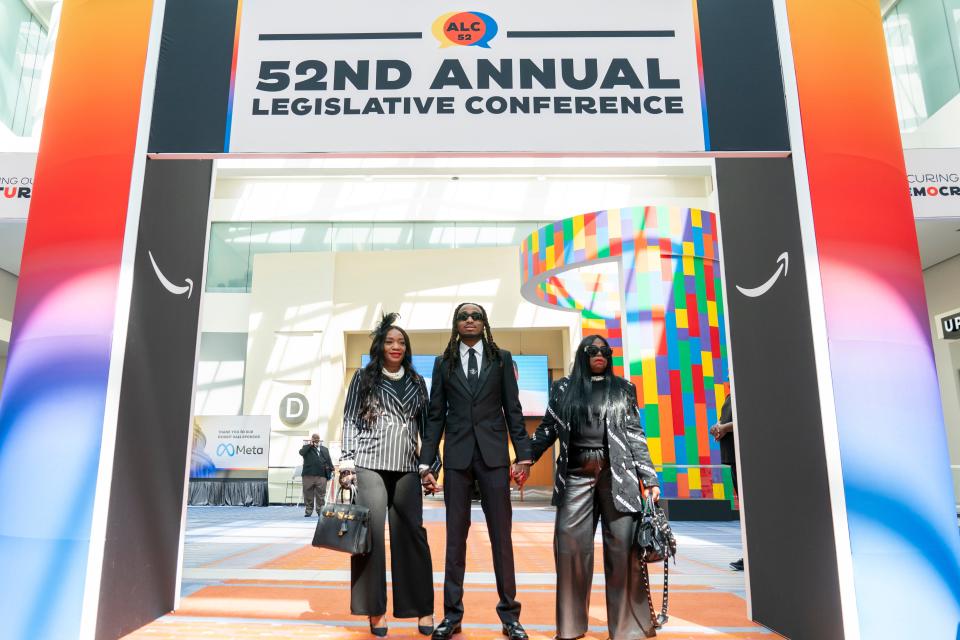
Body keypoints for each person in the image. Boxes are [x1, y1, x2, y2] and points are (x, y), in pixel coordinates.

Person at [529, 335, 661, 640]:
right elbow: (548, 428)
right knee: (570, 548)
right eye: (593, 350)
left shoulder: (623, 388)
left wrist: (649, 478)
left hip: (619, 475)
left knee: (624, 551)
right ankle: (571, 626)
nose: (599, 354)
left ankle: (629, 628)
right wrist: (525, 459)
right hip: (575, 474)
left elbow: (635, 434)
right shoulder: (564, 388)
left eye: (605, 351)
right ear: (582, 354)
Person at [419, 303, 533, 640]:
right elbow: (436, 415)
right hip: (456, 458)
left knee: (501, 538)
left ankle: (510, 616)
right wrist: (427, 462)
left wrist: (523, 455)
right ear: (455, 324)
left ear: (484, 324)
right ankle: (452, 615)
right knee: (455, 540)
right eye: (463, 316)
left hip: (494, 458)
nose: (470, 320)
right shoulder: (443, 363)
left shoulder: (502, 358)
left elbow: (513, 409)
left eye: (476, 316)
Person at [339, 313, 439, 637]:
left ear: (406, 348)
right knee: (370, 538)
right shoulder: (363, 378)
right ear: (380, 346)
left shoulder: (417, 381)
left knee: (412, 535)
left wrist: (429, 467)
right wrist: (346, 462)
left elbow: (426, 428)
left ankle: (422, 608)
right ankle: (375, 611)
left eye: (401, 342)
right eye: (389, 341)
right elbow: (350, 419)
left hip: (408, 467)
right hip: (370, 465)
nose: (395, 346)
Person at [710, 392, 742, 571]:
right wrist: (717, 427)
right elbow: (724, 421)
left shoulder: (744, 391)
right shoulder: (731, 396)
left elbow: (748, 418)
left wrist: (725, 428)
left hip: (744, 457)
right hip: (732, 458)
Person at [298, 434, 333, 517]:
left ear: (319, 439)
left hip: (321, 475)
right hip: (308, 475)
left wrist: (332, 469)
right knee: (308, 493)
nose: (316, 440)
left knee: (321, 495)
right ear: (312, 439)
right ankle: (308, 511)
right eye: (314, 439)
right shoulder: (307, 448)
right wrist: (310, 444)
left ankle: (320, 511)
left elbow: (328, 460)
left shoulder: (325, 449)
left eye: (317, 439)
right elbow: (301, 452)